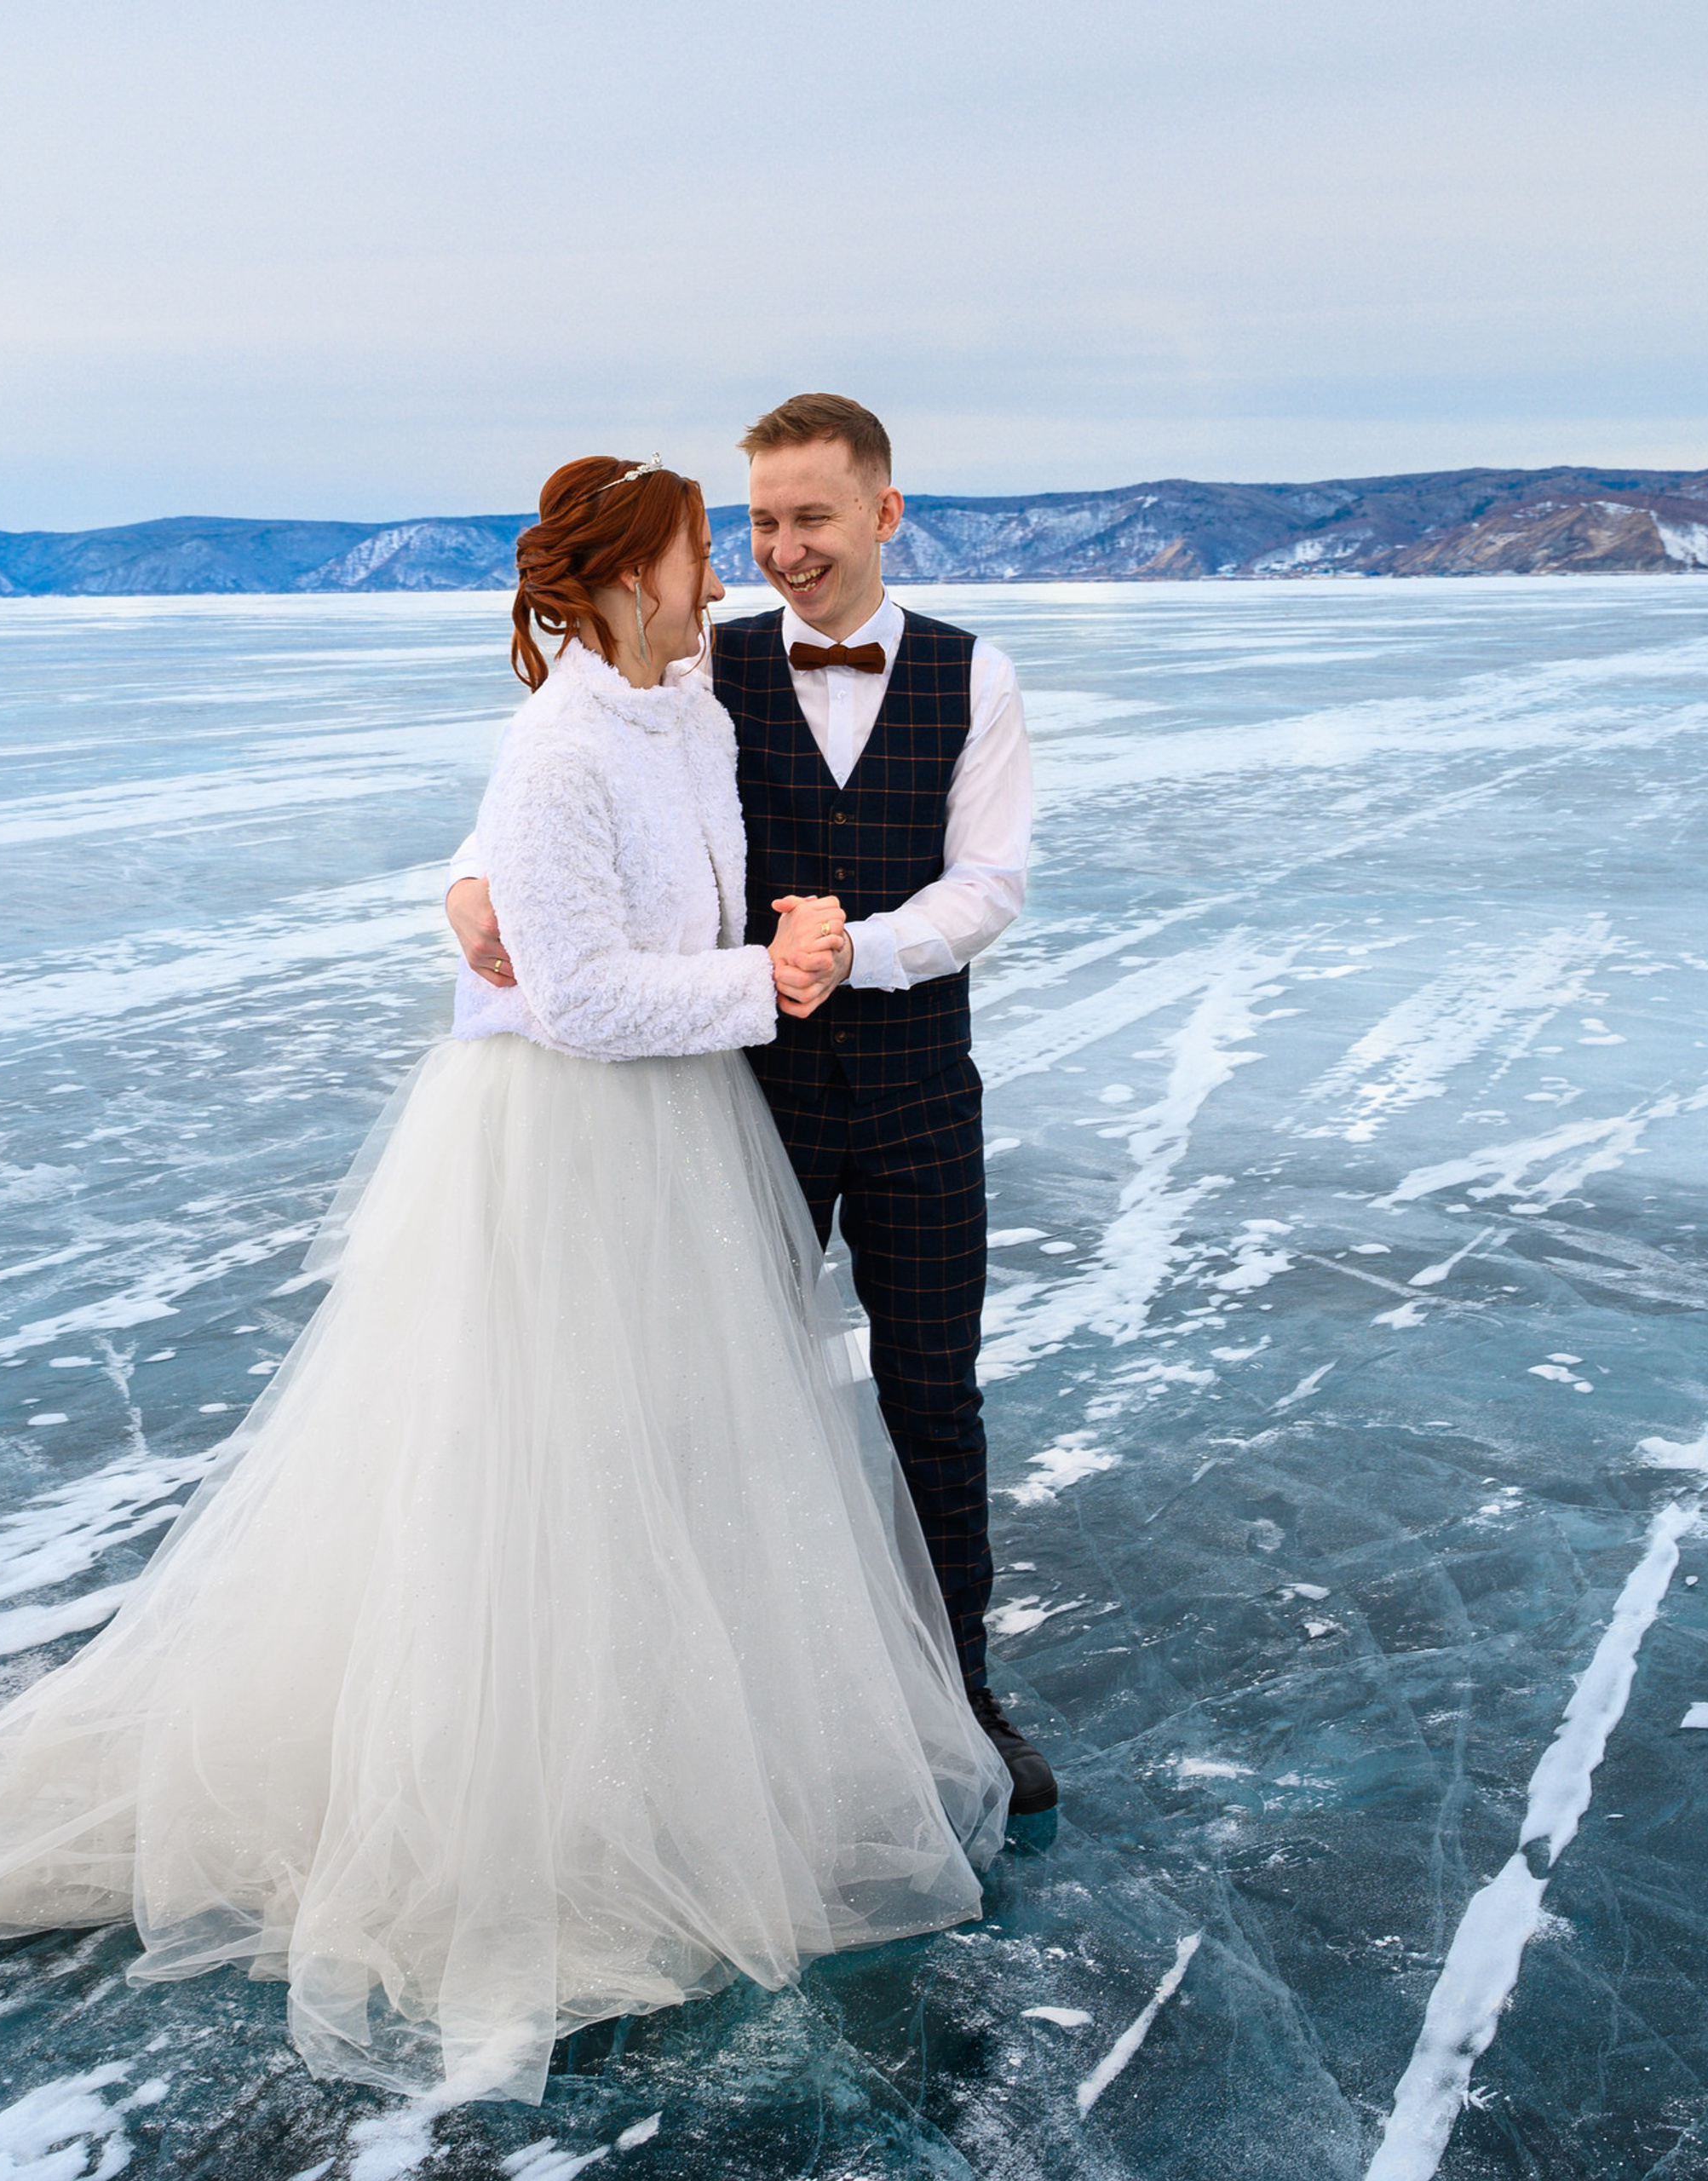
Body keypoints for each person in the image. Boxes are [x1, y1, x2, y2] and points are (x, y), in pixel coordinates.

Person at [0, 453, 1009, 2109]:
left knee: (678, 1462)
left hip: (681, 1134)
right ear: (617, 579)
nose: (727, 578)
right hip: (573, 1139)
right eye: (695, 554)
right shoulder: (566, 737)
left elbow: (568, 853)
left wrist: (496, 887)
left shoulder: (687, 700)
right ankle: (514, 1809)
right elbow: (580, 987)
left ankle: (673, 1763)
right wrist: (754, 963)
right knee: (537, 1467)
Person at [447, 395, 1055, 1813]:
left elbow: (990, 887)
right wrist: (464, 881)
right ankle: (738, 1706)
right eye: (761, 524)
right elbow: (556, 782)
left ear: (884, 516)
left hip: (915, 1099)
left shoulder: (977, 680)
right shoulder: (698, 663)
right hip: (738, 1106)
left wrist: (866, 950)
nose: (780, 552)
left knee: (932, 1405)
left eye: (811, 520)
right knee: (717, 1413)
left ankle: (959, 1687)